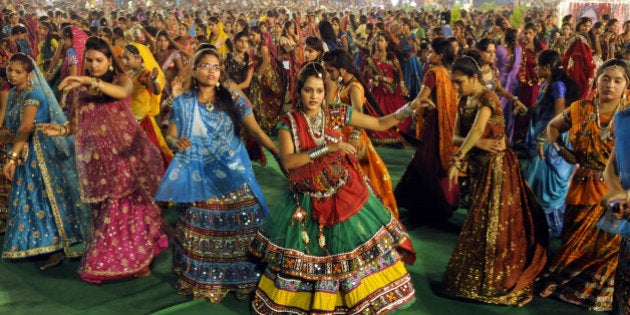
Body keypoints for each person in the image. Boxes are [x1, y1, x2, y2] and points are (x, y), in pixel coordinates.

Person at [250, 62, 416, 314]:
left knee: (342, 250)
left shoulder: (337, 113)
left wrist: (411, 107)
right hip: (307, 197)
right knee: (312, 252)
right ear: (299, 92)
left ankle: (351, 298)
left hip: (341, 192)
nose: (314, 96)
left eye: (318, 91)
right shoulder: (290, 123)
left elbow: (381, 124)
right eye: (308, 90)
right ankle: (310, 301)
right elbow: (289, 161)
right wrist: (327, 148)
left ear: (324, 92)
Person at [154, 48, 279, 303]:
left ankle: (246, 277)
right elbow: (172, 134)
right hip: (201, 172)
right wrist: (175, 142)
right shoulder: (185, 101)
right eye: (205, 66)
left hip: (234, 170)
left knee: (245, 220)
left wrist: (280, 154)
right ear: (194, 69)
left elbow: (255, 131)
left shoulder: (232, 97)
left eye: (216, 67)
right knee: (201, 222)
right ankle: (204, 277)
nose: (212, 71)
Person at [39, 36, 168, 283]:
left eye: (99, 60)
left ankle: (134, 258)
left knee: (122, 210)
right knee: (104, 212)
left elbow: (120, 93)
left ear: (110, 61)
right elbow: (75, 124)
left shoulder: (122, 80)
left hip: (126, 159)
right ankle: (122, 257)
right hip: (99, 163)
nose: (93, 65)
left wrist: (87, 79)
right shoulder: (83, 91)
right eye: (89, 60)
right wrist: (62, 130)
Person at [442, 53, 548, 306]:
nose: (456, 87)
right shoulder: (464, 99)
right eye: (454, 83)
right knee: (480, 221)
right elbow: (456, 136)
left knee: (496, 223)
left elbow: (477, 128)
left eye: (459, 82)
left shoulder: (487, 98)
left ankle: (496, 279)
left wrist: (458, 160)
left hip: (499, 167)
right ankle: (478, 276)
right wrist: (477, 143)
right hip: (480, 167)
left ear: (473, 78)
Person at [538, 59, 629, 311]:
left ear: (626, 86)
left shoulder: (628, 115)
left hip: (615, 191)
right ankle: (565, 283)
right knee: (574, 244)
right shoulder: (579, 109)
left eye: (618, 80)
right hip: (581, 187)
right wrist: (560, 148)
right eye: (605, 78)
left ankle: (600, 291)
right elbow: (553, 127)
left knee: (609, 247)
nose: (610, 84)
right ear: (596, 81)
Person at [1, 53, 89, 269]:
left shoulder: (35, 94)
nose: (12, 74)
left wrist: (11, 158)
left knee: (45, 196)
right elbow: (13, 125)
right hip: (23, 148)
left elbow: (25, 127)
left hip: (40, 151)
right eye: (10, 70)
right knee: (28, 197)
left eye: (18, 71)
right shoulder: (13, 93)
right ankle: (39, 242)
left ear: (29, 74)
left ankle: (57, 246)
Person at [323, 48, 399, 217]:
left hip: (352, 141)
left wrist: (355, 139)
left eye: (331, 71)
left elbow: (359, 114)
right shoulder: (342, 85)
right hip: (340, 140)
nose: (329, 75)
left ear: (342, 69)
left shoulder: (354, 87)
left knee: (359, 180)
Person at [396, 37, 459, 227]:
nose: (427, 54)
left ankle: (424, 206)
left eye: (431, 52)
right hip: (449, 127)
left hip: (433, 126)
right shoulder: (451, 74)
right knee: (439, 162)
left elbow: (421, 98)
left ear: (439, 56)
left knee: (426, 163)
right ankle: (446, 202)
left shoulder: (433, 73)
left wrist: (413, 111)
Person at [521, 50, 578, 238]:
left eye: (538, 65)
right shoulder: (548, 84)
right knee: (536, 181)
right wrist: (525, 109)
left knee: (544, 183)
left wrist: (544, 140)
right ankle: (536, 223)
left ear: (546, 67)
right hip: (541, 136)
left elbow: (558, 117)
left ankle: (549, 225)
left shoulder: (558, 86)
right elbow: (542, 109)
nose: (535, 69)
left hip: (549, 141)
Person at [598, 63, 630, 314]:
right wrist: (619, 194)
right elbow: (611, 166)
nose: (610, 85)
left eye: (617, 80)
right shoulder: (624, 118)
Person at [121, 43, 173, 167]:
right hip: (129, 119)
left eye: (127, 58)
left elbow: (156, 90)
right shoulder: (130, 74)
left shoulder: (145, 75)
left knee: (149, 156)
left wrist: (154, 80)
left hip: (142, 122)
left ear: (139, 59)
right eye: (123, 57)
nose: (124, 61)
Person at [362, 31, 409, 143]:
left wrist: (402, 85)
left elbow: (399, 71)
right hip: (378, 90)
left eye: (381, 41)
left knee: (398, 113)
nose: (379, 43)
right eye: (377, 40)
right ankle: (379, 137)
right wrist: (382, 78)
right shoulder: (372, 58)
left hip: (392, 91)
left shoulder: (391, 55)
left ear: (387, 43)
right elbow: (368, 74)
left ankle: (397, 136)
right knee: (378, 112)